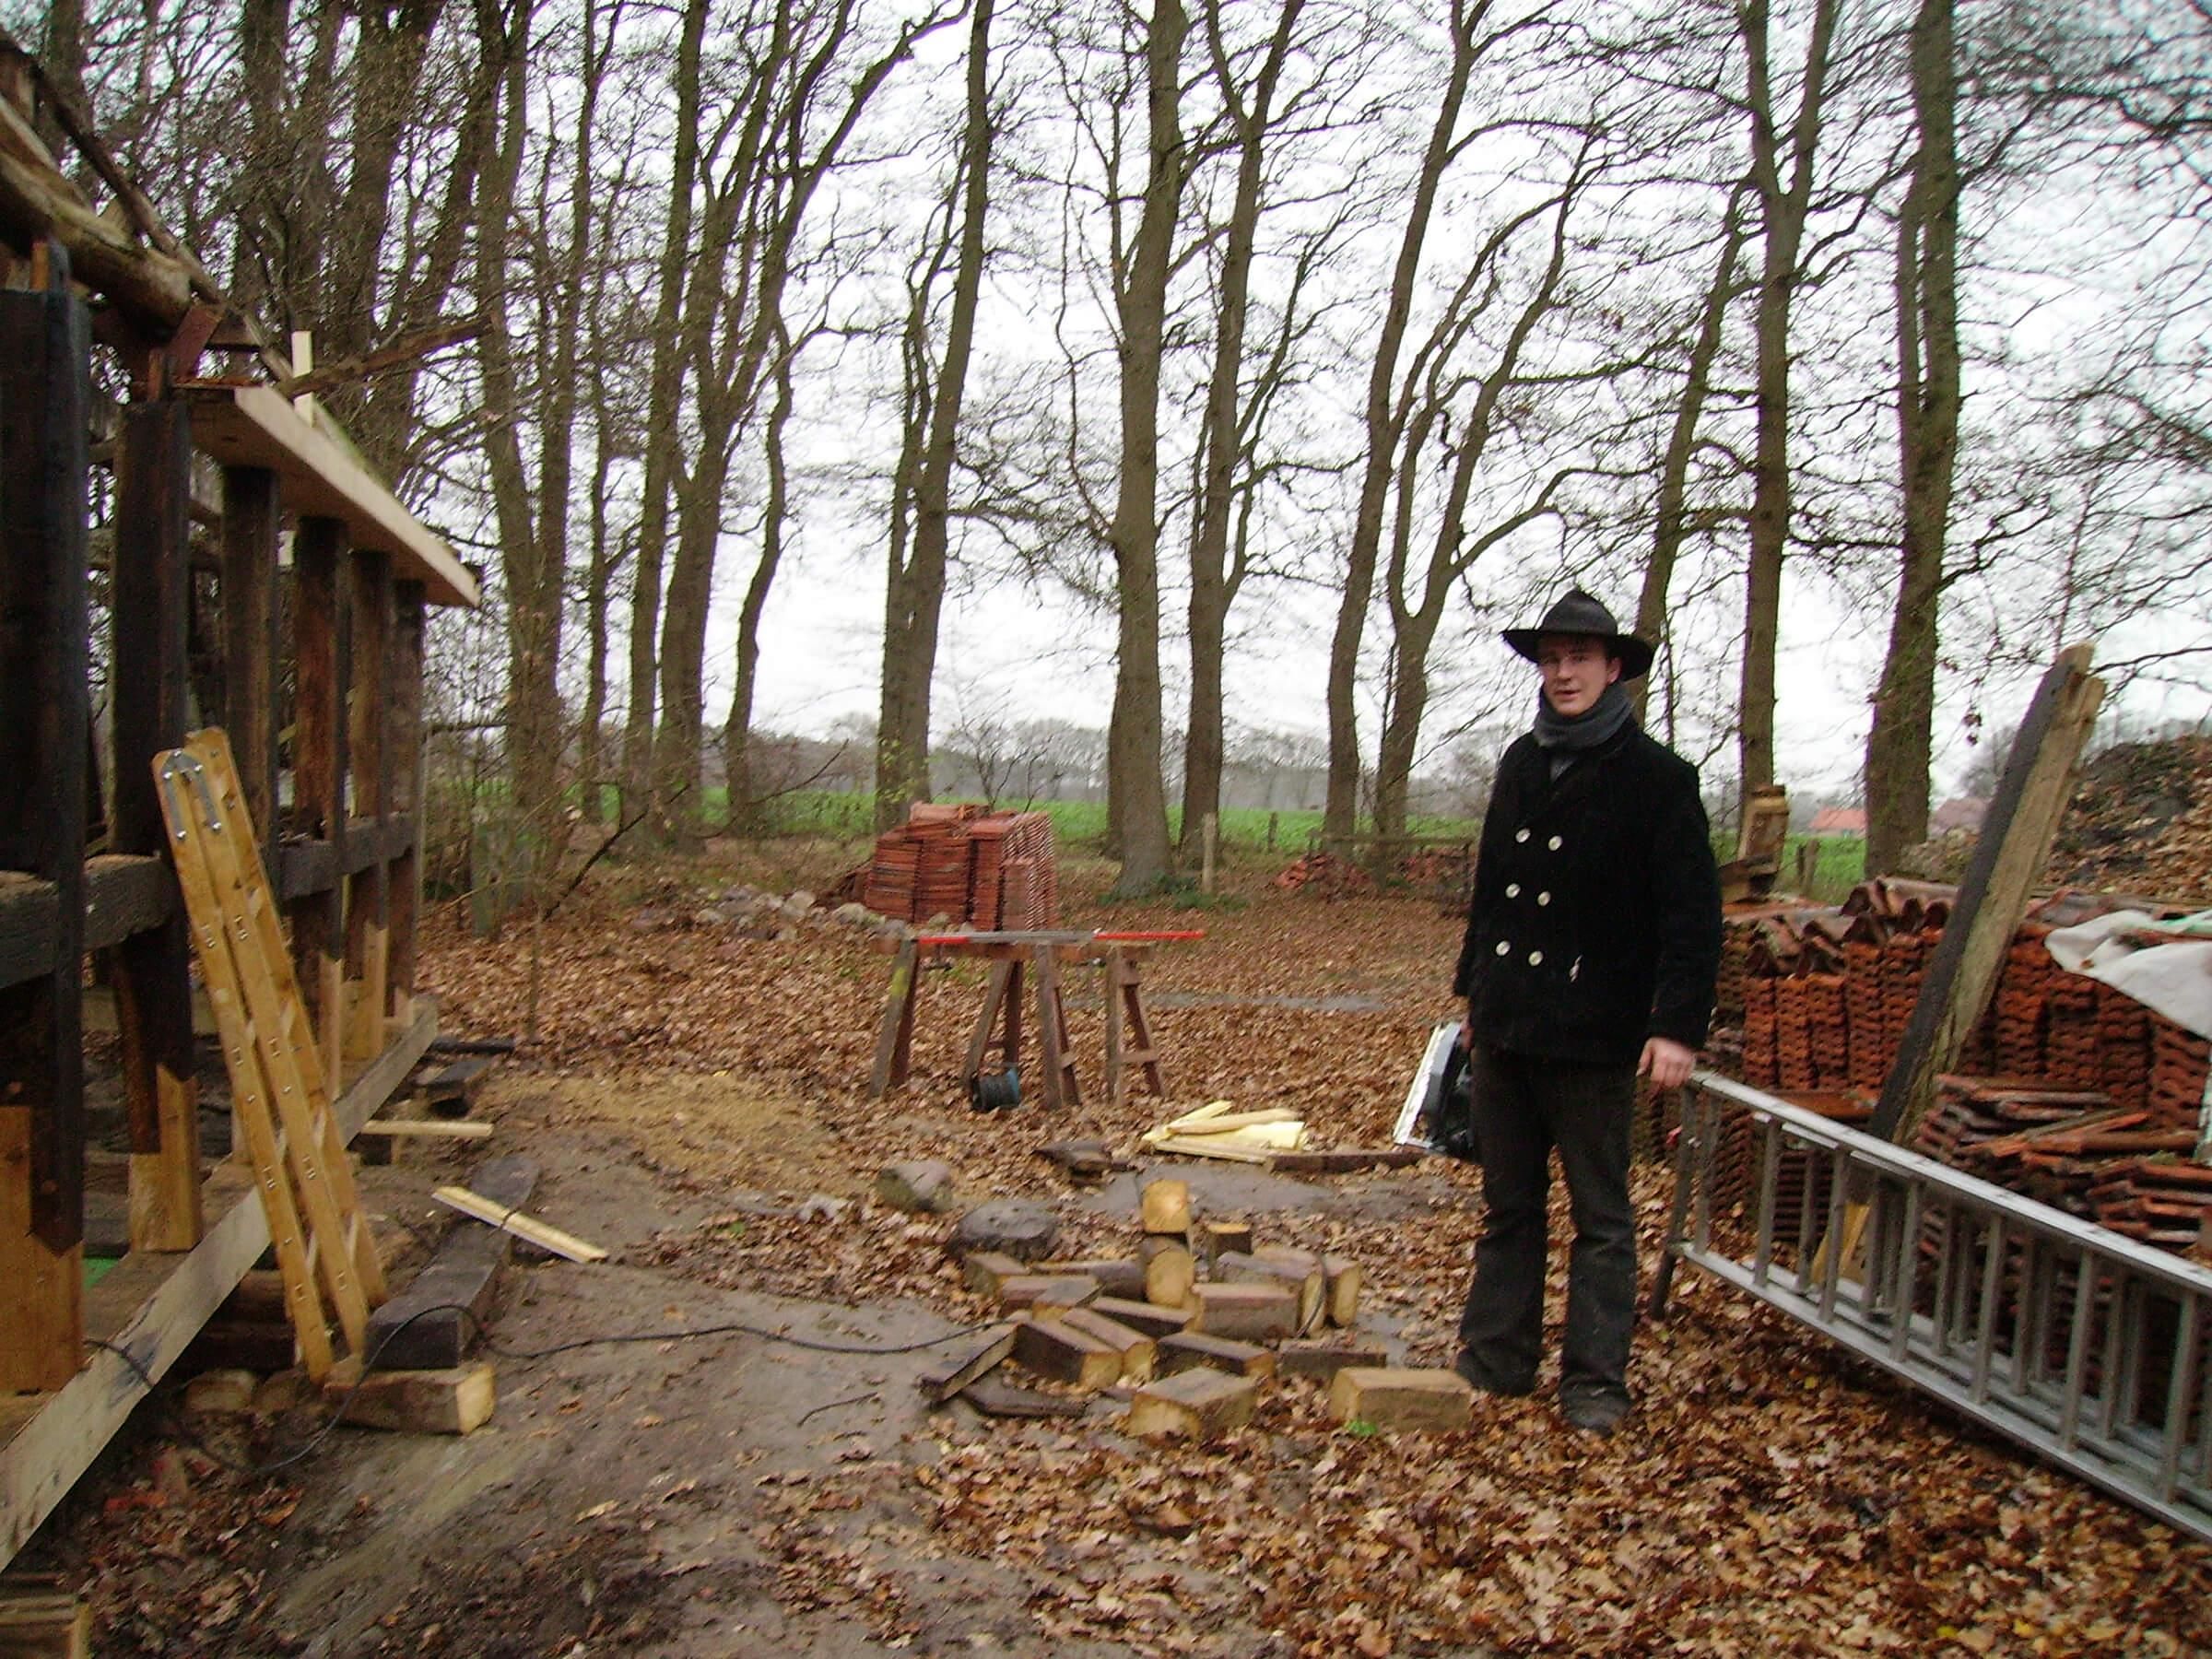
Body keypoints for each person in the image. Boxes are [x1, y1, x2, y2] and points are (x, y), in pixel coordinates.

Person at [1450, 586, 1722, 1436]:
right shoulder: (1521, 763)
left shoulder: (1660, 780)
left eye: (1581, 659)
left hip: (1596, 1034)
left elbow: (1692, 915)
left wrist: (1676, 1026)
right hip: (1507, 1025)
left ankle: (1596, 1383)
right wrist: (1473, 995)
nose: (1564, 673)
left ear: (1614, 669)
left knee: (1601, 1218)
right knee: (1509, 1202)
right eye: (1552, 659)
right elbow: (1492, 890)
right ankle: (1496, 1358)